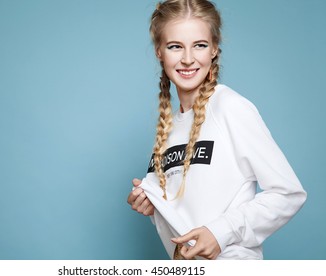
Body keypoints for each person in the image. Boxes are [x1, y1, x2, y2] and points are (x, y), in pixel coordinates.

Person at [127, 0, 306, 260]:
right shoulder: (168, 130)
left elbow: (288, 194)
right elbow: (189, 212)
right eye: (175, 46)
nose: (188, 59)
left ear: (213, 50)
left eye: (199, 45)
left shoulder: (230, 107)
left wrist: (220, 232)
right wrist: (151, 203)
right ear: (159, 52)